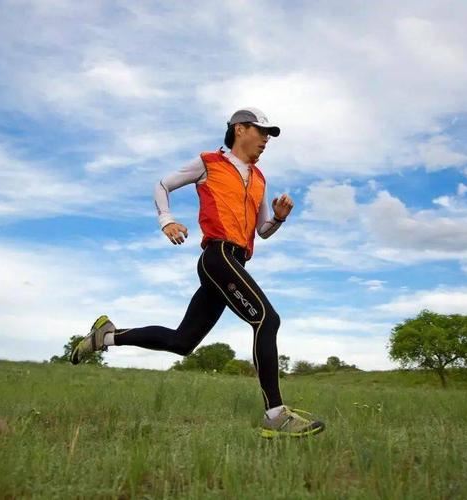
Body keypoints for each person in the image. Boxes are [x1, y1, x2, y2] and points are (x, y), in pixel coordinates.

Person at [71, 107, 325, 438]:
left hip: (236, 262)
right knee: (268, 320)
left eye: (269, 135)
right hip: (217, 256)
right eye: (261, 132)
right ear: (239, 130)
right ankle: (275, 415)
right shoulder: (209, 162)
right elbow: (162, 185)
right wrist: (167, 220)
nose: (265, 139)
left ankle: (106, 336)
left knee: (182, 342)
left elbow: (262, 231)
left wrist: (277, 218)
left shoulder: (260, 179)